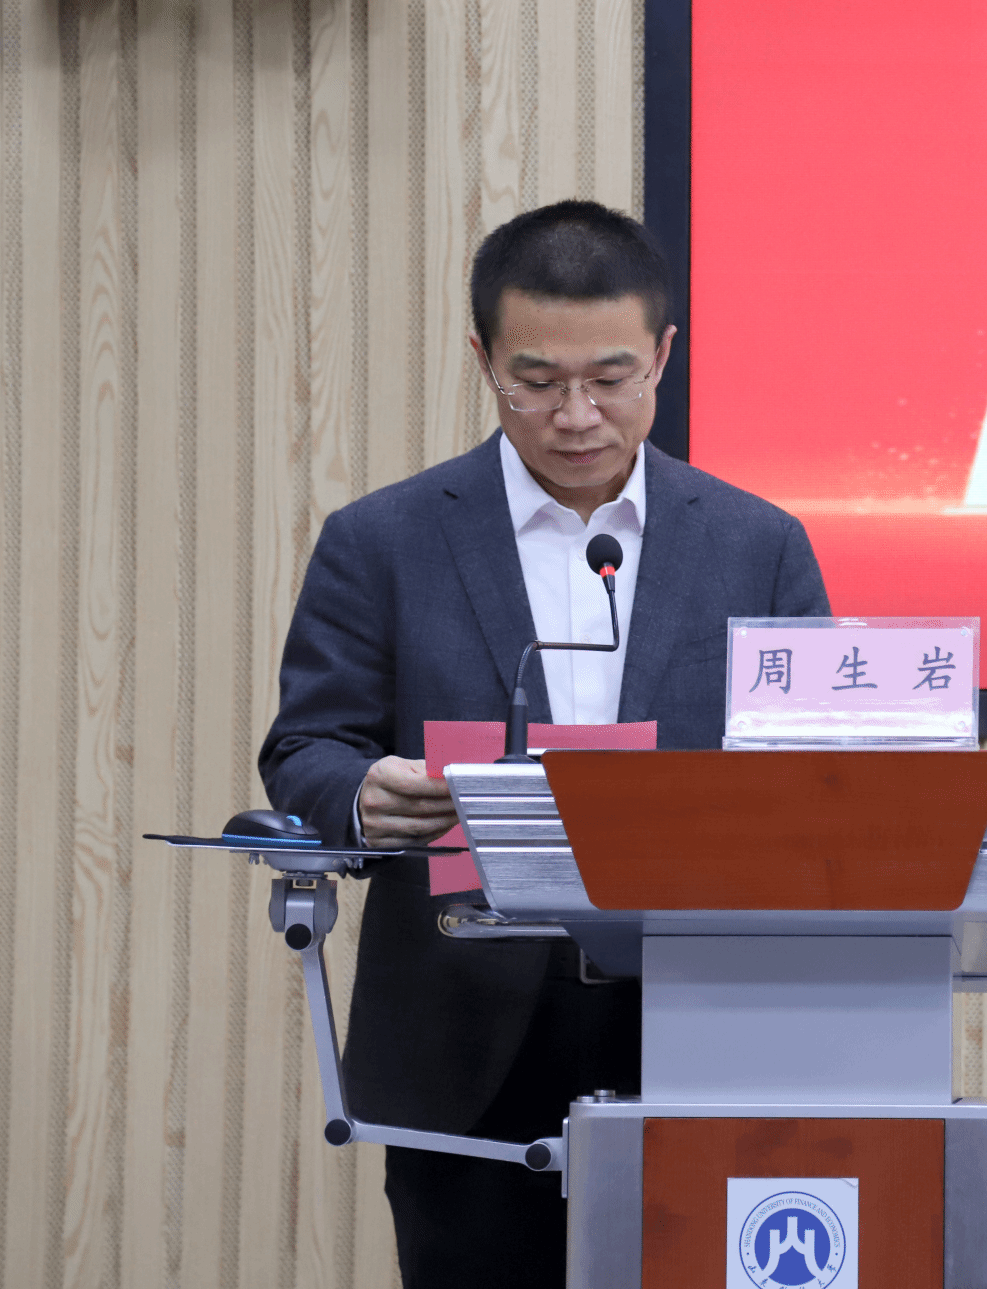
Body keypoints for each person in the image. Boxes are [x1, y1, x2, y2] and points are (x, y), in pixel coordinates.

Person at [258, 201, 829, 1286]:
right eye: (537, 381)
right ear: (483, 360)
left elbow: (818, 772)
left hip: (700, 1015)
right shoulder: (383, 540)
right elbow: (306, 746)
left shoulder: (755, 546)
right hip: (465, 1029)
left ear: (663, 355)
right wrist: (362, 791)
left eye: (611, 379)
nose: (576, 416)